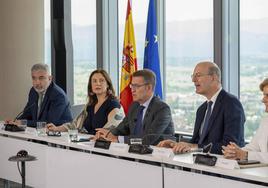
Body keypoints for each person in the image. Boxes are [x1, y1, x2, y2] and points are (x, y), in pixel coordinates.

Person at [158, 61, 245, 154]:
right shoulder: (202, 109)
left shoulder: (231, 103)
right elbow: (197, 143)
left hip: (224, 166)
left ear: (213, 77)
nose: (194, 80)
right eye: (193, 76)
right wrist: (176, 145)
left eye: (198, 75)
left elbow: (230, 146)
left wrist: (195, 146)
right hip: (201, 165)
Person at [96, 69, 174, 145]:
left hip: (157, 155)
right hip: (135, 153)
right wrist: (107, 134)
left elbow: (148, 139)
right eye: (132, 86)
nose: (132, 90)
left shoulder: (162, 109)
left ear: (149, 88)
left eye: (136, 86)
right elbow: (122, 128)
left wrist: (118, 139)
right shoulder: (134, 106)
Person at [46, 69, 123, 134]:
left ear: (108, 85)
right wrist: (57, 129)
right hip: (90, 146)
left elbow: (113, 129)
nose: (98, 84)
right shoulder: (90, 106)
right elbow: (75, 125)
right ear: (91, 86)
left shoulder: (113, 105)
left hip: (106, 147)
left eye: (101, 80)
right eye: (94, 81)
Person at [7, 63, 72, 127]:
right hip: (39, 132)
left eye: (41, 78)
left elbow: (49, 122)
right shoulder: (33, 91)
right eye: (34, 78)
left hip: (60, 134)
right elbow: (27, 114)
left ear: (49, 78)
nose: (37, 82)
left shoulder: (58, 95)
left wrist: (24, 123)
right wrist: (15, 121)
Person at [222, 78, 268, 163]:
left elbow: (247, 154)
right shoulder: (265, 121)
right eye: (264, 95)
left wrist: (245, 155)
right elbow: (253, 147)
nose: (263, 100)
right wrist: (235, 152)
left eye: (267, 95)